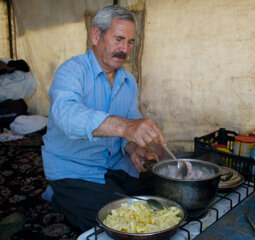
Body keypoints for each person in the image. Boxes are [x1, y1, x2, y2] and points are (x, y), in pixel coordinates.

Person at [41, 5, 166, 231]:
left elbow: (131, 124)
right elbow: (67, 116)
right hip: (75, 168)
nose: (125, 49)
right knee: (120, 221)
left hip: (112, 164)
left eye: (130, 42)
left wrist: (133, 148)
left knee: (163, 195)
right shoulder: (72, 71)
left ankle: (79, 199)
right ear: (96, 36)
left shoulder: (127, 81)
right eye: (118, 39)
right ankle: (61, 195)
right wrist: (125, 127)